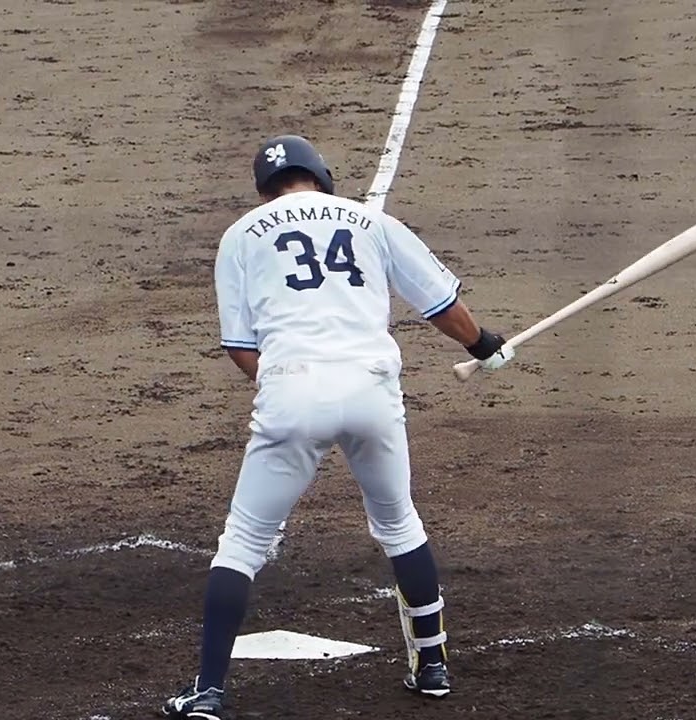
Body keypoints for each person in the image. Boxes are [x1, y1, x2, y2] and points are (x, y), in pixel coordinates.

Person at [161, 135, 512, 719]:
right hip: (371, 388)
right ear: (321, 175)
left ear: (265, 189)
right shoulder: (370, 221)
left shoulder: (240, 235)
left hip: (291, 387)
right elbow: (440, 304)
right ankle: (432, 668)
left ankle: (207, 693)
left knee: (242, 543)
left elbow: (239, 345)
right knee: (398, 523)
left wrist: (290, 392)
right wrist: (484, 345)